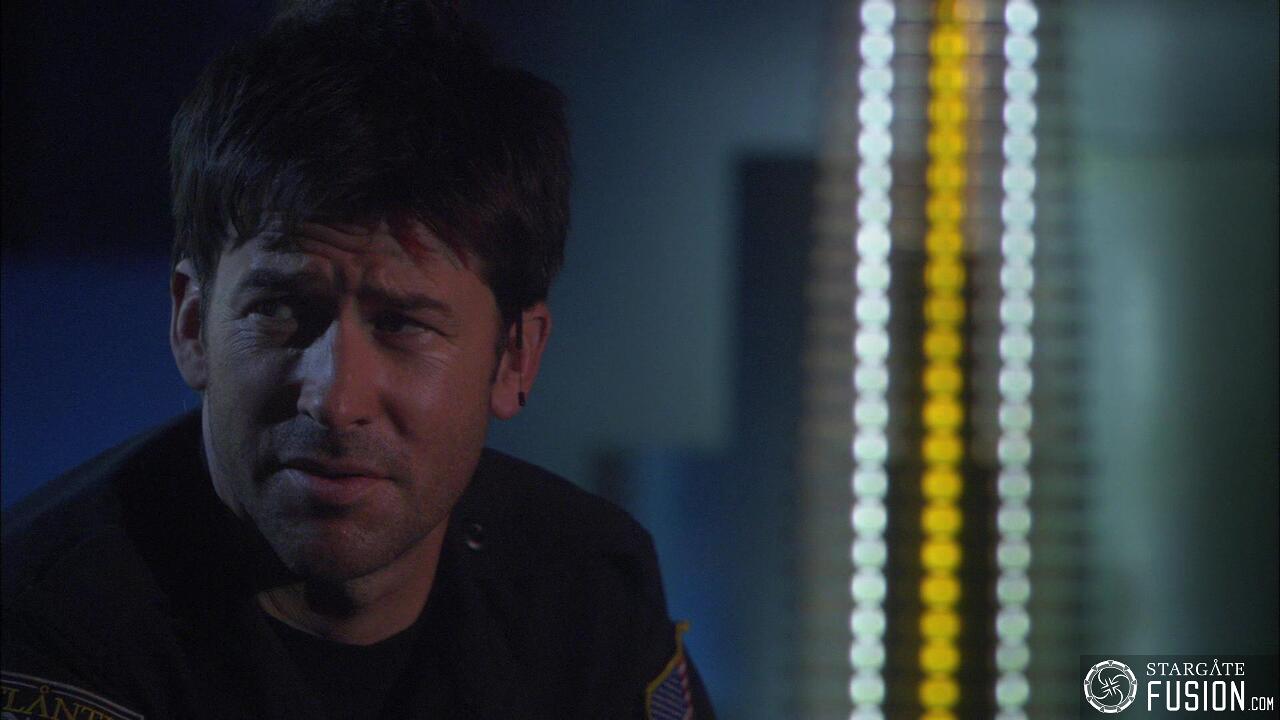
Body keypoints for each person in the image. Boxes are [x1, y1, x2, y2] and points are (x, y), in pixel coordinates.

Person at [0, 2, 715, 718]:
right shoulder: (51, 627)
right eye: (279, 310)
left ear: (514, 358)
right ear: (191, 325)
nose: (334, 400)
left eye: (403, 324)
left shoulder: (589, 592)